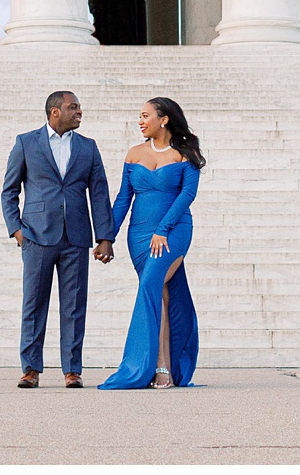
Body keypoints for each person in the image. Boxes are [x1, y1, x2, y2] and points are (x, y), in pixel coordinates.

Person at [0, 90, 114, 388]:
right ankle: (30, 368)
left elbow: (99, 192)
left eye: (79, 107)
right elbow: (9, 190)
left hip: (76, 237)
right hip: (36, 235)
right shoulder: (26, 143)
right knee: (34, 303)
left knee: (74, 305)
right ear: (54, 112)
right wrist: (16, 229)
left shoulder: (88, 147)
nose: (79, 111)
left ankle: (72, 369)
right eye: (73, 107)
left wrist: (104, 236)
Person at [99, 97, 204, 389]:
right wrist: (108, 237)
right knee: (162, 295)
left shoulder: (186, 153)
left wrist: (164, 228)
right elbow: (123, 199)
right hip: (139, 235)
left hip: (173, 232)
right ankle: (167, 367)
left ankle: (150, 367)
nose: (140, 121)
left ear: (164, 119)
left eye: (145, 115)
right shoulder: (134, 154)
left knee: (150, 287)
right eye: (139, 116)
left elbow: (187, 195)